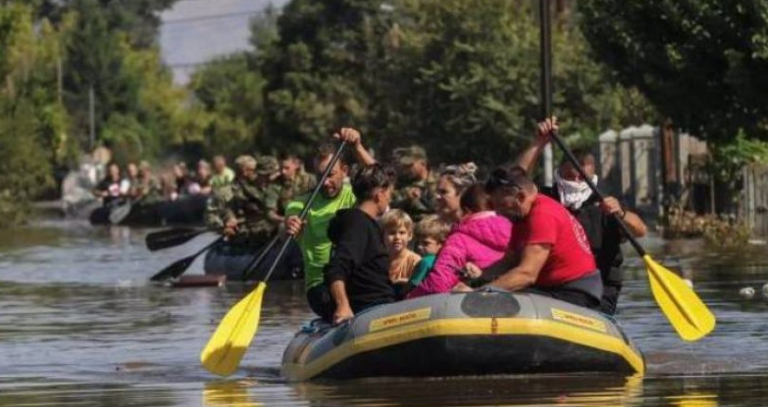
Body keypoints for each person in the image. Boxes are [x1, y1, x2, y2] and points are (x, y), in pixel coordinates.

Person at [515, 117, 648, 314]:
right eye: (570, 177)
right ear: (559, 172)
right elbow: (516, 180)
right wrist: (539, 143)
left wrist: (621, 213)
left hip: (596, 296)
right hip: (549, 289)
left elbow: (640, 230)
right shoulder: (545, 199)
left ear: (593, 175)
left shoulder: (605, 203)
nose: (576, 182)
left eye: (581, 177)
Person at [471, 168, 603, 310]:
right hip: (550, 289)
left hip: (575, 292)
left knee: (500, 303)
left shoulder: (543, 215)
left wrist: (480, 294)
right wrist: (478, 278)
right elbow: (510, 261)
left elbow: (526, 274)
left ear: (520, 197)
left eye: (502, 205)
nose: (497, 212)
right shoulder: (520, 216)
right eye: (493, 206)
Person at [285, 127, 376, 320]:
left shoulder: (355, 196)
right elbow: (284, 227)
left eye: (330, 175)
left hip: (356, 280)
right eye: (320, 176)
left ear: (344, 171)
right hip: (321, 288)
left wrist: (358, 147)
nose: (325, 182)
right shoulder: (300, 204)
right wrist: (289, 225)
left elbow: (381, 181)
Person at [315, 164, 396, 324]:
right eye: (389, 194)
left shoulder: (364, 223)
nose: (390, 199)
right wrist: (343, 306)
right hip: (370, 308)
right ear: (379, 194)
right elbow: (337, 267)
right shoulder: (358, 224)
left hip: (382, 302)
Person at [407, 184, 512, 298]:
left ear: (466, 210)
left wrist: (408, 301)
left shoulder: (459, 239)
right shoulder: (514, 231)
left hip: (473, 309)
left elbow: (438, 283)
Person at [220, 155, 280, 245]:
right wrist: (230, 219)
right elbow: (231, 206)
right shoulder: (243, 187)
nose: (245, 174)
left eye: (249, 170)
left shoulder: (281, 183)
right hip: (256, 225)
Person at [391, 146, 438, 222]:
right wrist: (408, 200)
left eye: (410, 166)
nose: (407, 169)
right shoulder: (402, 183)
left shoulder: (438, 182)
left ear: (423, 163)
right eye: (405, 166)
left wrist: (419, 201)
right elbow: (393, 206)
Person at [380, 209, 421, 284]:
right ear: (382, 235)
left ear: (410, 235)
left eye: (402, 233)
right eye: (392, 233)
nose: (397, 237)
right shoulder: (379, 260)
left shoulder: (415, 261)